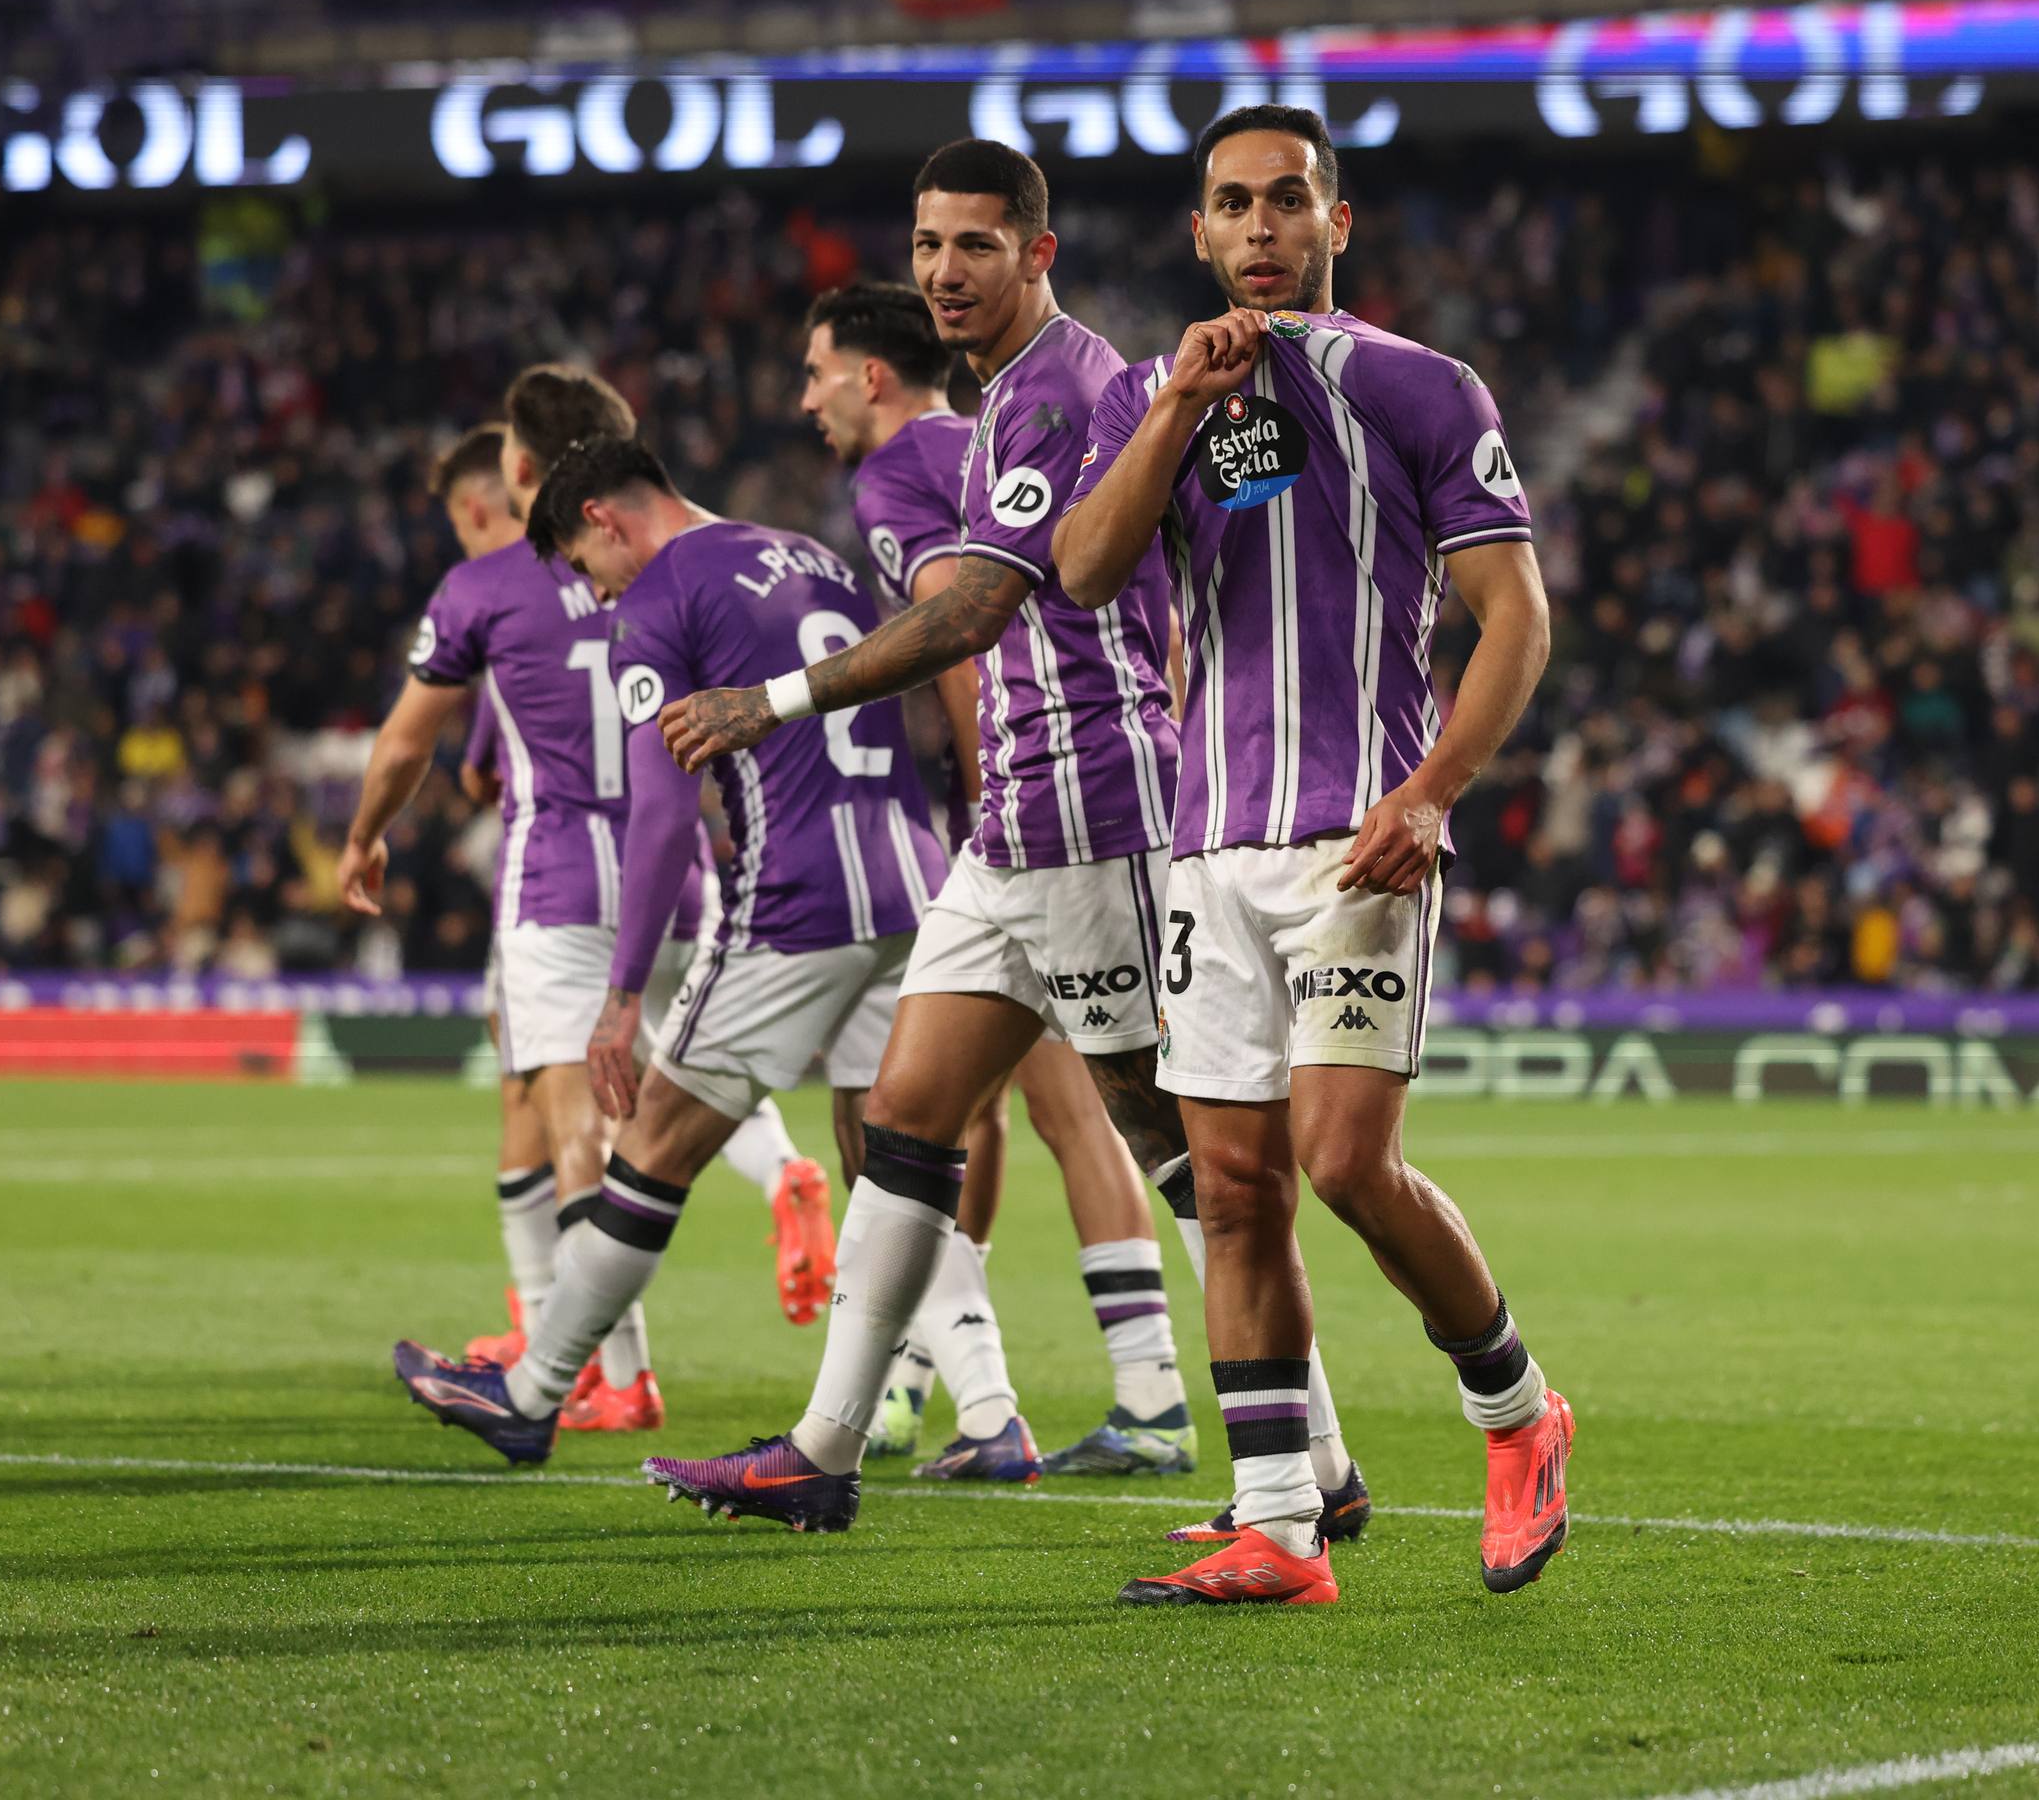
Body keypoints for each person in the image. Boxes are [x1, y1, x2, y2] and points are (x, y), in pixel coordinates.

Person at [647, 140, 1363, 1536]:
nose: (941, 272)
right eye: (925, 246)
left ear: (1037, 254)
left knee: (1185, 1154)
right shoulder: (989, 403)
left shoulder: (1056, 389)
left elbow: (972, 612)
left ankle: (1312, 1466)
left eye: (974, 245)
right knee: (907, 1119)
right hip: (1012, 827)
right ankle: (825, 1450)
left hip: (1098, 814)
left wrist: (768, 700)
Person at [1051, 105, 1571, 1607]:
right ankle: (1279, 1524)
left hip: (1361, 842)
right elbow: (1082, 574)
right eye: (1233, 206)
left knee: (1343, 1163)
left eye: (1289, 202)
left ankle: (1516, 1411)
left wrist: (1429, 793)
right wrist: (1171, 414)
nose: (1262, 229)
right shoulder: (1154, 396)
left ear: (1335, 224)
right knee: (1231, 1190)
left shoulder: (1418, 386)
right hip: (1205, 847)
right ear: (1197, 234)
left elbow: (1514, 619)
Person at [394, 371, 941, 1484]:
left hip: (795, 901)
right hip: (911, 887)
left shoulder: (657, 601)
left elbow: (658, 816)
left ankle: (535, 1394)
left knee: (652, 1144)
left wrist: (622, 995)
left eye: (584, 567)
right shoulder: (808, 553)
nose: (594, 594)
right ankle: (851, 1430)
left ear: (601, 517)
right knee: (898, 1160)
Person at [354, 398, 828, 1434]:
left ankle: (603, 1370)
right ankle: (784, 1173)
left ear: (524, 470)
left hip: (561, 882)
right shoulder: (727, 567)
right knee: (685, 1079)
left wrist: (362, 839)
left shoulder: (490, 588)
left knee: (573, 1113)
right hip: (692, 884)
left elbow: (434, 753)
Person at [800, 280, 1191, 1478]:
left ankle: (1170, 1412)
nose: (805, 397)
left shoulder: (896, 475)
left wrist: (991, 805)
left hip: (1048, 813)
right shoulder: (990, 433)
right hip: (1072, 804)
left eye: (816, 372)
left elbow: (968, 643)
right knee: (984, 1113)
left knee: (1085, 1124)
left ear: (871, 375)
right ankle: (918, 1402)